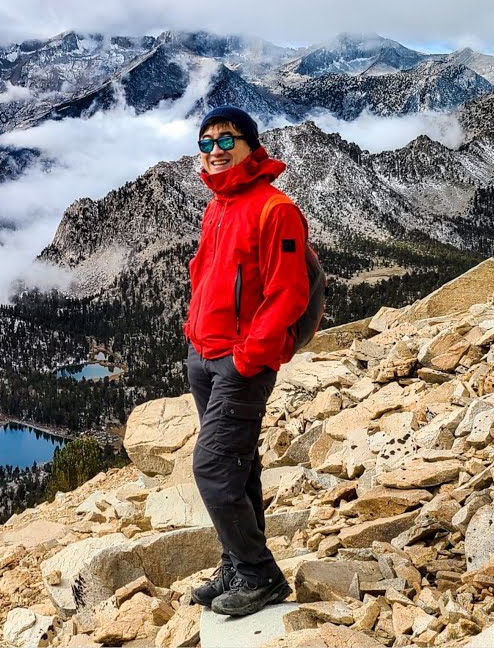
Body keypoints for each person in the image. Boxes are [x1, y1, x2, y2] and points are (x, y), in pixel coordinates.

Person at [183, 106, 309, 617]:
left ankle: (260, 576)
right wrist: (194, 338)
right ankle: (236, 563)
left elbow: (289, 293)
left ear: (250, 146)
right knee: (237, 466)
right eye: (206, 141)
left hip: (240, 363)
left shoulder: (273, 208)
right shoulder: (217, 205)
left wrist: (249, 355)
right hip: (203, 355)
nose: (214, 150)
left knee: (212, 467)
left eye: (226, 139)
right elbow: (204, 273)